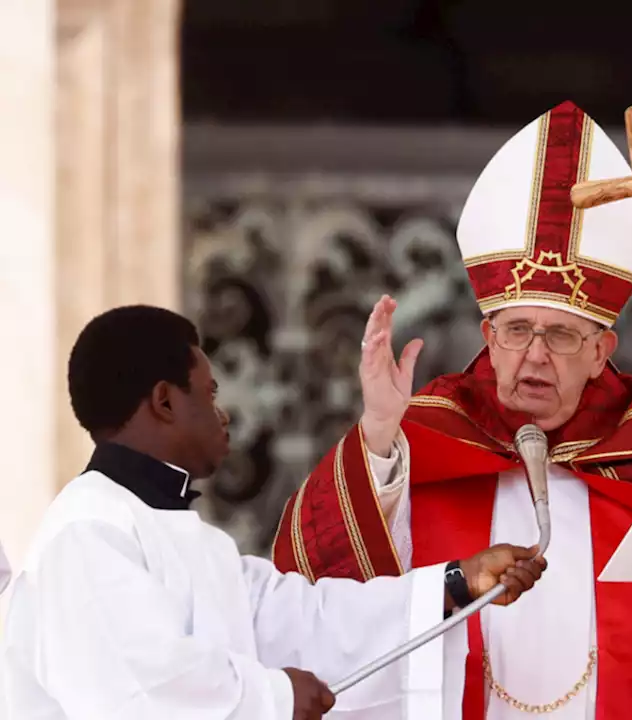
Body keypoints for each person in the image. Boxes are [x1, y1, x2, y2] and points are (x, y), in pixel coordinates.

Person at [273, 101, 632, 719]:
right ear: (489, 339)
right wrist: (381, 436)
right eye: (517, 330)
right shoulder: (428, 439)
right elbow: (325, 595)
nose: (536, 355)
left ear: (602, 352)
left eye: (563, 335)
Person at [0, 306, 546, 719]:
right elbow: (142, 690)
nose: (224, 414)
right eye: (208, 394)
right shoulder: (87, 531)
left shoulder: (192, 540)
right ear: (164, 402)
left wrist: (458, 583)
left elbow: (309, 621)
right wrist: (277, 696)